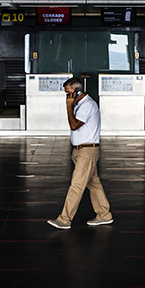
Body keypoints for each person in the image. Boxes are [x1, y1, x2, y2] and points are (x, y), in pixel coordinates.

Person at [47, 77, 114, 229]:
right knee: (94, 184)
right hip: (80, 151)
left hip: (87, 151)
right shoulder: (80, 104)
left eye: (69, 93)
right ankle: (104, 214)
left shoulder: (87, 105)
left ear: (77, 91)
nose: (67, 97)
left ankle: (65, 219)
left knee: (76, 186)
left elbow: (74, 125)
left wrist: (68, 107)